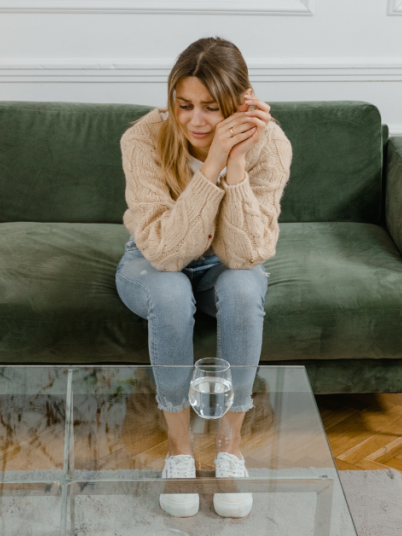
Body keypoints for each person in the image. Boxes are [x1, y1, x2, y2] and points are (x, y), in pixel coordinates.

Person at [114, 36, 293, 519]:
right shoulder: (142, 138)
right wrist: (211, 162)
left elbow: (244, 254)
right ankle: (180, 452)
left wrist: (236, 162)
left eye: (212, 108)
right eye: (184, 105)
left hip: (223, 262)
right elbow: (167, 253)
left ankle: (229, 449)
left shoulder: (270, 143)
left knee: (242, 287)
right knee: (171, 293)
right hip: (152, 259)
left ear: (239, 102)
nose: (195, 120)